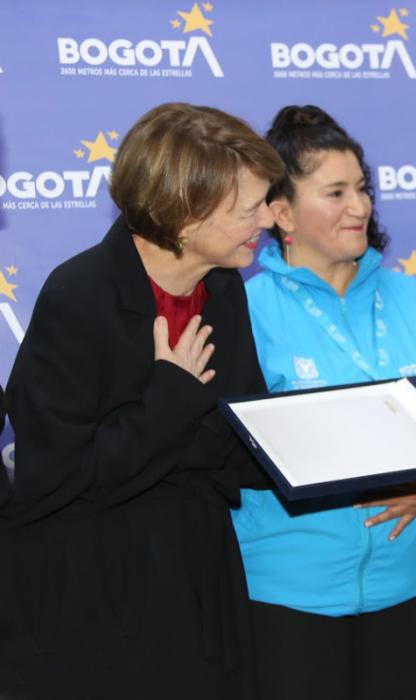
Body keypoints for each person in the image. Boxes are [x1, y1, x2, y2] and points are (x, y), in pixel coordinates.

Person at [0, 103, 284, 699]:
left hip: (198, 576)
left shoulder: (224, 288)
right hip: (92, 598)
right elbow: (55, 478)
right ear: (185, 215)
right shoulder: (80, 295)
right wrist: (172, 396)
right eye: (249, 208)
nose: (269, 219)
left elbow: (232, 439)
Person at [231, 105, 416, 700]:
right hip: (288, 596)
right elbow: (223, 458)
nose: (360, 206)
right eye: (335, 192)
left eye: (363, 188)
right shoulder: (244, 312)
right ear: (281, 212)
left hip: (407, 588)